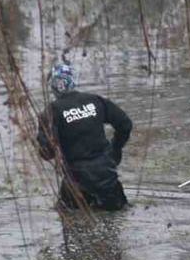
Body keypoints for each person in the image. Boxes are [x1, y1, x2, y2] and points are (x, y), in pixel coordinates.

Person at [36, 63, 133, 211]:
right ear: (72, 81)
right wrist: (115, 149)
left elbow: (47, 153)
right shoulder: (95, 100)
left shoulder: (50, 112)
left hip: (76, 181)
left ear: (52, 87)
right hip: (106, 175)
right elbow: (125, 124)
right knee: (117, 219)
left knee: (69, 220)